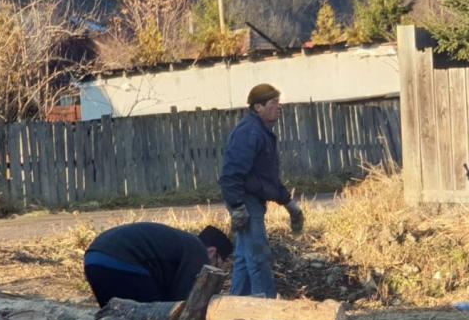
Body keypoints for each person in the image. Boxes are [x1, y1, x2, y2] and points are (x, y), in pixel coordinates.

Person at [220, 83, 304, 297]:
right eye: (274, 102)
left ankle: (236, 305)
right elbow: (231, 172)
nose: (279, 106)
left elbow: (267, 178)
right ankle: (266, 306)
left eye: (279, 102)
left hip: (251, 200)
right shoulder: (249, 132)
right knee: (258, 256)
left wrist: (288, 203)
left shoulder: (260, 131)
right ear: (258, 107)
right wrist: (237, 206)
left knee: (244, 258)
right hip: (246, 201)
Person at [83, 222, 233, 307]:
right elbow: (181, 301)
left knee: (114, 317)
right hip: (122, 262)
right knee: (151, 316)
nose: (218, 268)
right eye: (219, 263)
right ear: (212, 252)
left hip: (94, 258)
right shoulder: (198, 251)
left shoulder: (181, 242)